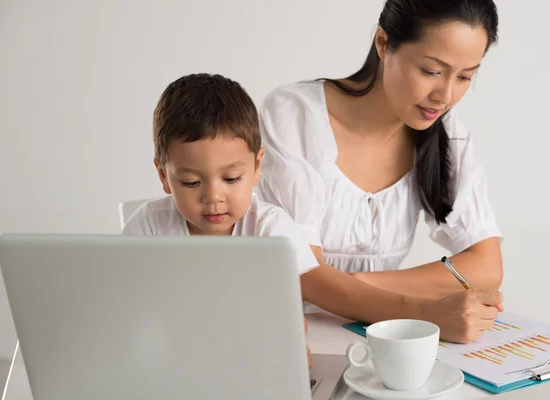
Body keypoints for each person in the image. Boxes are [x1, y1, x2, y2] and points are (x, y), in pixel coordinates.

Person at [257, 0, 504, 343]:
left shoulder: (449, 136)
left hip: (378, 343)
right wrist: (423, 310)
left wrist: (359, 284)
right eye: (432, 71)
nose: (444, 96)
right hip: (285, 339)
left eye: (465, 77)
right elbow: (301, 273)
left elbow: (488, 268)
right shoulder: (294, 115)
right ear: (383, 43)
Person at [122, 73, 317, 366]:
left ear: (256, 166)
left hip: (250, 364)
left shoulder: (271, 230)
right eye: (190, 182)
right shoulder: (149, 225)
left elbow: (290, 319)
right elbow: (128, 309)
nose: (213, 196)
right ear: (164, 175)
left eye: (231, 178)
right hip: (172, 364)